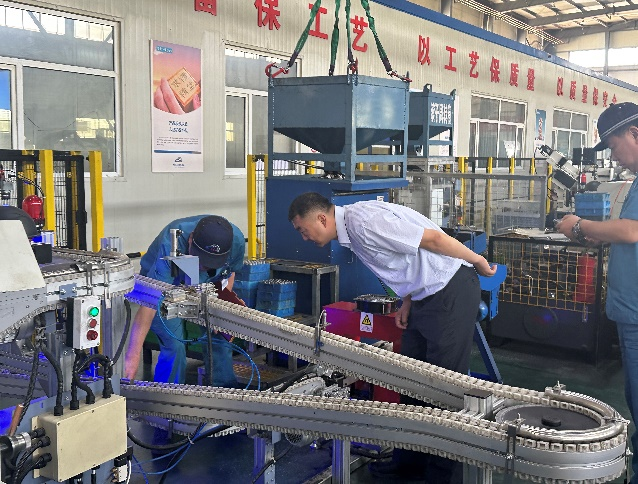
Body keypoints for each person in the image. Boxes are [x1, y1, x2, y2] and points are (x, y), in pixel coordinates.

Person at [288, 192, 497, 482]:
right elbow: (407, 257)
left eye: (303, 230)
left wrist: (477, 261)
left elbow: (434, 240)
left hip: (449, 289)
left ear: (322, 219)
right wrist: (408, 299)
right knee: (410, 381)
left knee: (445, 388)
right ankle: (409, 463)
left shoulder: (364, 224)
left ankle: (441, 475)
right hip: (425, 294)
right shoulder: (350, 230)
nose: (304, 238)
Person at [555, 102, 638, 483]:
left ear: (634, 134)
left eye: (614, 146)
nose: (615, 157)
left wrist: (580, 226)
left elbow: (631, 231)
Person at [124, 214, 245, 387]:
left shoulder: (236, 241)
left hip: (205, 285)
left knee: (219, 336)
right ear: (190, 239)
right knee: (175, 345)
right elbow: (149, 304)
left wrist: (220, 305)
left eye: (211, 263)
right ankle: (168, 397)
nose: (204, 266)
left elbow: (229, 273)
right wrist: (132, 356)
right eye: (201, 261)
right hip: (163, 284)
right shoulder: (171, 241)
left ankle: (223, 391)